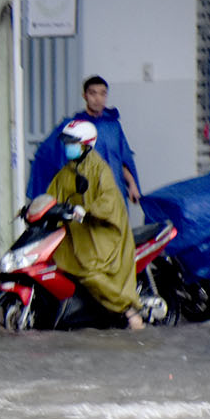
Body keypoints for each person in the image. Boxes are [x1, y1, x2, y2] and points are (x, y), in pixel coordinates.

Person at [47, 120, 144, 329]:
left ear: (85, 145)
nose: (68, 147)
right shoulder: (66, 172)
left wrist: (88, 210)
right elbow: (51, 196)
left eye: (72, 143)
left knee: (90, 272)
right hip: (77, 235)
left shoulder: (100, 170)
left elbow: (109, 201)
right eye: (67, 143)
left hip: (102, 235)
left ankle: (129, 309)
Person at [26, 75, 141, 204]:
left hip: (114, 192)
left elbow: (121, 159)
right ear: (85, 95)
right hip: (84, 195)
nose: (98, 99)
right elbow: (47, 155)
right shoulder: (73, 127)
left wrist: (132, 185)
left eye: (103, 94)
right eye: (93, 93)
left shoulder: (113, 126)